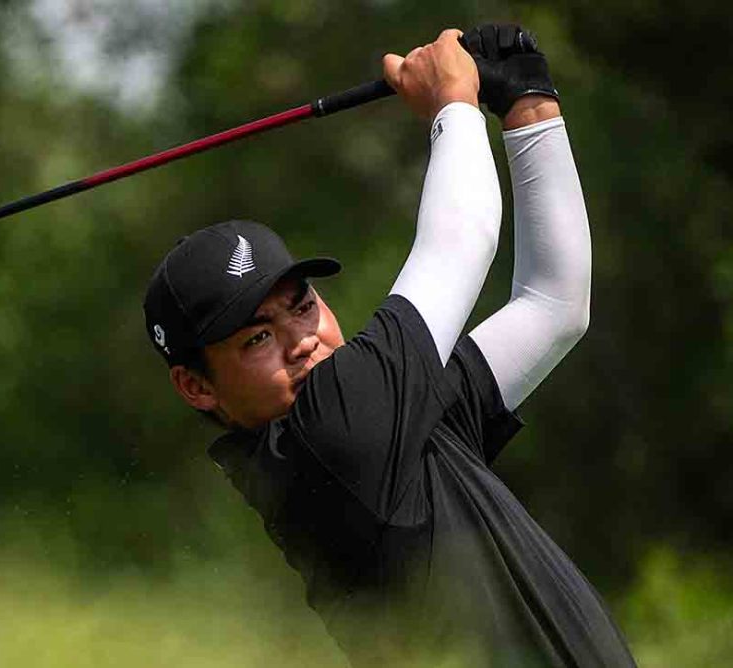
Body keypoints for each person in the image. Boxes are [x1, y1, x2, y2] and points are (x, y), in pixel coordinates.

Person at [142, 25, 637, 666]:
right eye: (258, 336)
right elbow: (463, 240)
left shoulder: (388, 429)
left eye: (303, 307)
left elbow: (554, 305)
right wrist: (451, 102)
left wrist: (527, 105)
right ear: (196, 386)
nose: (303, 342)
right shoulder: (329, 441)